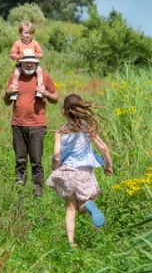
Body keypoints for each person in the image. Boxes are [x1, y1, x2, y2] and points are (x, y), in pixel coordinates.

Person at [46, 94, 113, 248]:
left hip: (67, 173)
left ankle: (71, 243)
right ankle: (89, 205)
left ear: (64, 111)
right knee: (83, 206)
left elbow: (57, 156)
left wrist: (56, 171)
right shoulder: (87, 127)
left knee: (71, 208)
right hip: (84, 173)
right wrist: (108, 165)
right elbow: (103, 148)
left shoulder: (60, 131)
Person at [4, 49, 59, 197]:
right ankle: (20, 190)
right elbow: (6, 102)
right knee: (20, 160)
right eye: (26, 62)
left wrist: (45, 92)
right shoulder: (14, 77)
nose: (29, 65)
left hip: (37, 125)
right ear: (20, 63)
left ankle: (37, 193)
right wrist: (8, 93)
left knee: (36, 160)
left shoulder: (44, 77)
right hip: (18, 125)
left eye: (32, 62)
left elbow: (56, 98)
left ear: (37, 63)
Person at [9, 21, 44, 101]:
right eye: (25, 33)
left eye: (30, 33)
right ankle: (14, 91)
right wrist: (18, 56)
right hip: (21, 64)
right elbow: (12, 54)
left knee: (39, 71)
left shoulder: (35, 43)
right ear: (21, 32)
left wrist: (37, 55)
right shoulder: (17, 43)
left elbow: (41, 53)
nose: (28, 35)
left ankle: (40, 89)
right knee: (16, 73)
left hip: (34, 64)